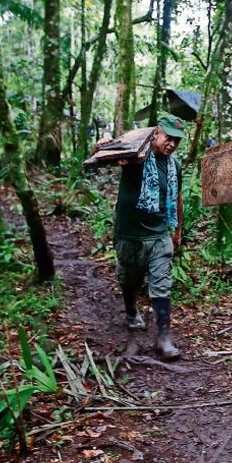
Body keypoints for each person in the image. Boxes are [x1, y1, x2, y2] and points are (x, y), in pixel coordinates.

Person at [95, 113, 186, 359]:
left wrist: (177, 230)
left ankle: (163, 338)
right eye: (169, 138)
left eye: (177, 141)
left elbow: (177, 198)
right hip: (129, 234)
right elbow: (105, 154)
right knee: (129, 280)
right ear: (156, 133)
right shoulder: (135, 155)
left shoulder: (174, 165)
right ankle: (131, 311)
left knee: (162, 285)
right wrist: (104, 142)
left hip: (158, 234)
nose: (172, 144)